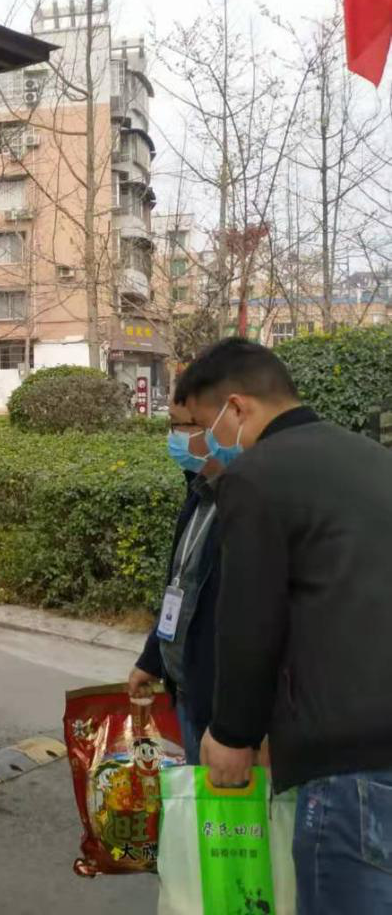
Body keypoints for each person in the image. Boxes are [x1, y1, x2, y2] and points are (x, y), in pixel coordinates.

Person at [180, 337, 392, 913]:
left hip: (345, 766)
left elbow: (250, 618)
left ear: (236, 407)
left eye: (202, 426)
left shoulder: (257, 476)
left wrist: (233, 733)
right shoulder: (370, 458)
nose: (200, 442)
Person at [127, 397, 224, 764]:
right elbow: (182, 590)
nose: (174, 437)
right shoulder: (199, 492)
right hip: (186, 692)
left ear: (217, 428)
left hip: (221, 716)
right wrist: (153, 659)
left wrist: (238, 727)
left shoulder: (248, 505)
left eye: (181, 426)